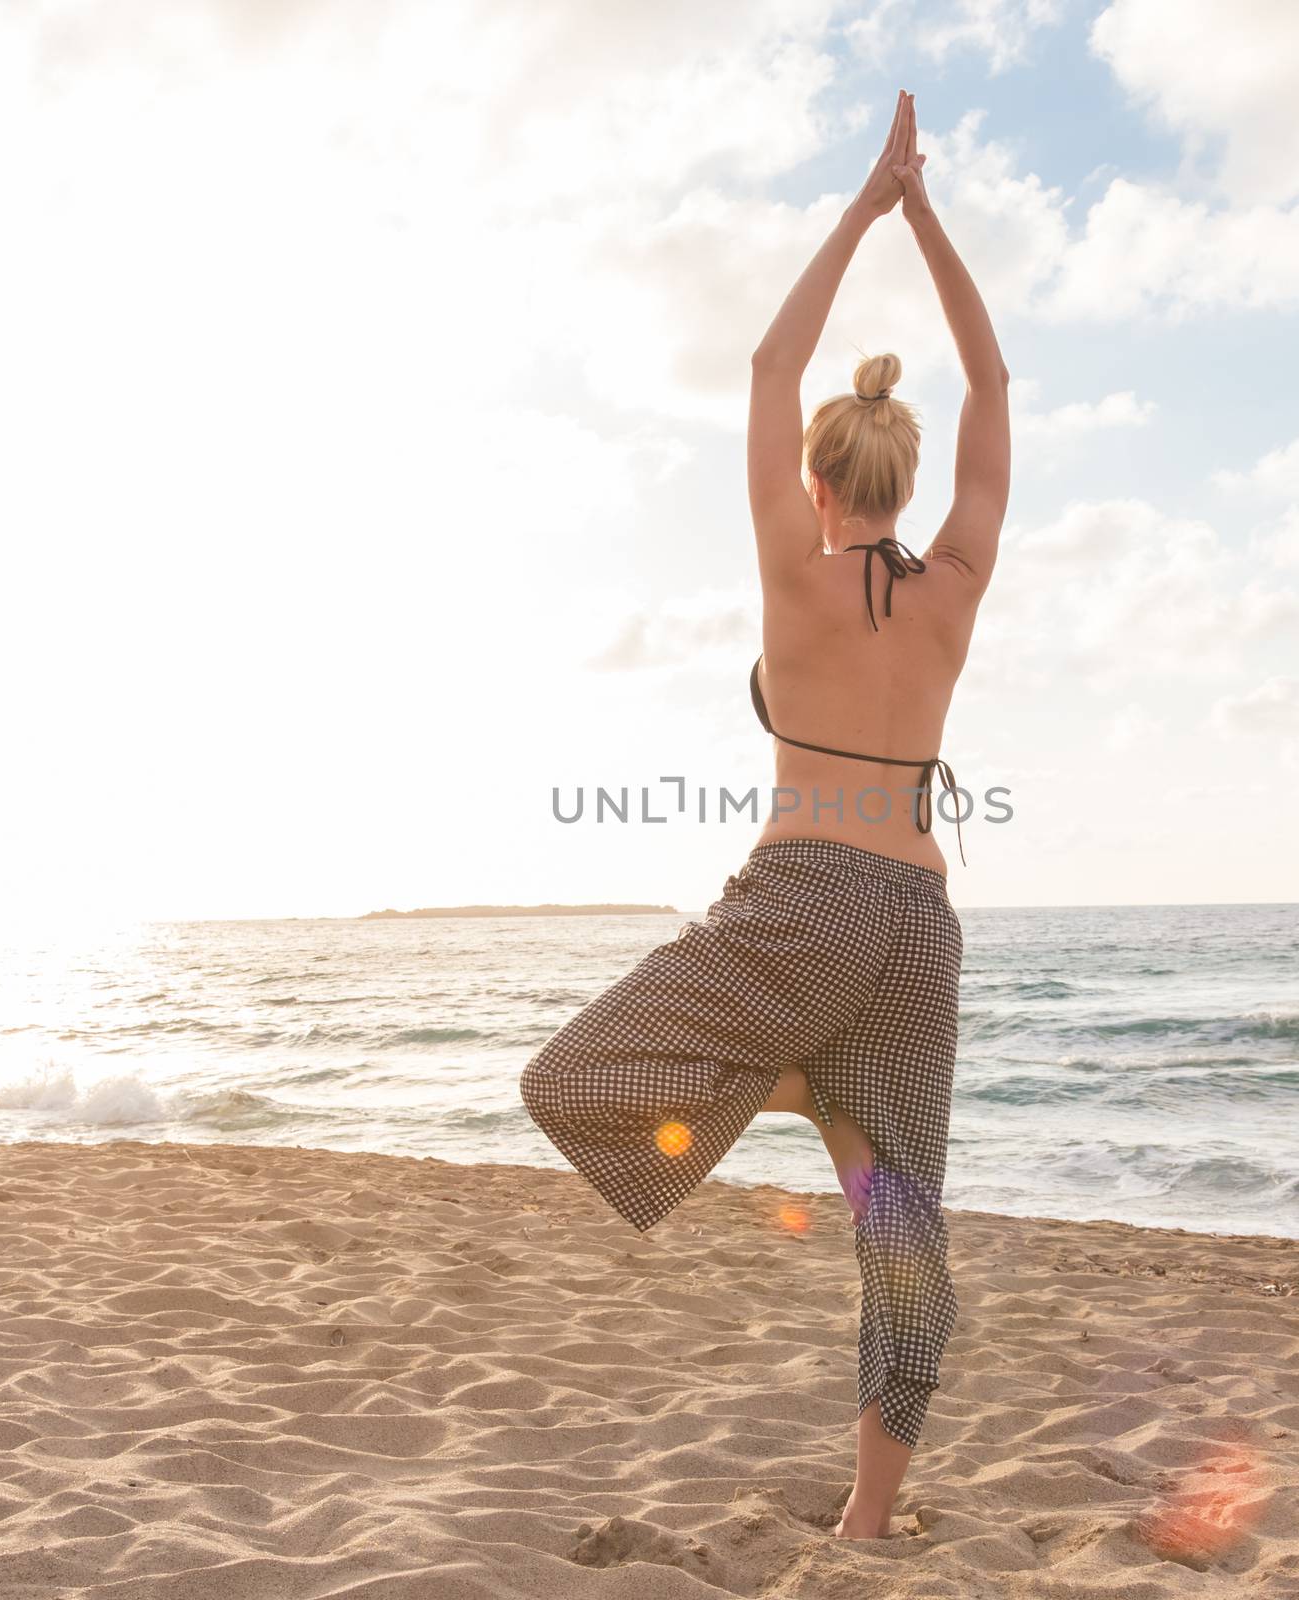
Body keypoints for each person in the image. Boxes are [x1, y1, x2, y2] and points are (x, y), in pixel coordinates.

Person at [521, 87, 1010, 1540]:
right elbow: (992, 385)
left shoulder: (792, 579)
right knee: (906, 1242)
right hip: (918, 925)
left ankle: (794, 1096)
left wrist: (863, 205)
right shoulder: (961, 584)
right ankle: (870, 1520)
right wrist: (927, 219)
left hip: (803, 903)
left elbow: (767, 357)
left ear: (814, 482)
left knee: (572, 1083)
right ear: (910, 479)